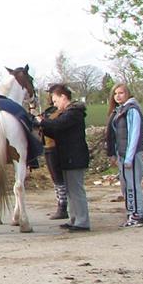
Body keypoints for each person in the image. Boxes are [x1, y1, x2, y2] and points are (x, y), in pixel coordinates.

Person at [36, 84, 90, 231]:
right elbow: (57, 130)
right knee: (71, 191)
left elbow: (59, 125)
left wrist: (42, 122)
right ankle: (74, 219)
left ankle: (82, 222)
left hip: (74, 157)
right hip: (68, 157)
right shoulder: (70, 112)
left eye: (55, 101)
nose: (55, 104)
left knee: (76, 190)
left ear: (63, 97)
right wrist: (44, 128)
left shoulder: (74, 112)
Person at [107, 83, 143, 227]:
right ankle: (132, 213)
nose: (118, 96)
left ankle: (137, 215)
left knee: (132, 186)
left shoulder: (132, 110)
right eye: (115, 93)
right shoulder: (120, 111)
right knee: (126, 186)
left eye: (121, 93)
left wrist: (129, 157)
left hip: (130, 155)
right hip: (123, 154)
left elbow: (134, 134)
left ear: (128, 94)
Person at [39, 90, 68, 219]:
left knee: (59, 179)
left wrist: (41, 122)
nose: (51, 100)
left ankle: (63, 206)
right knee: (56, 180)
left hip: (55, 147)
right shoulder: (51, 111)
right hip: (48, 146)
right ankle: (61, 204)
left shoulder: (61, 112)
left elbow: (54, 127)